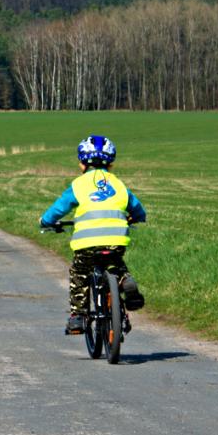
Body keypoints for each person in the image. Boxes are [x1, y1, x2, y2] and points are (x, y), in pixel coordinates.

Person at [38, 135, 146, 335]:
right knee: (116, 264)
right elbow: (138, 209)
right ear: (111, 163)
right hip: (116, 239)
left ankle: (78, 316)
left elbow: (58, 209)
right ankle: (124, 281)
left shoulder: (79, 185)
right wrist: (136, 218)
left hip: (86, 243)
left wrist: (46, 222)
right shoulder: (119, 184)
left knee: (79, 273)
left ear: (82, 163)